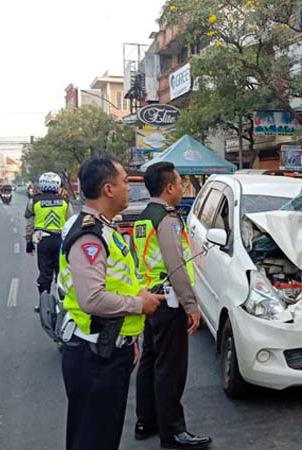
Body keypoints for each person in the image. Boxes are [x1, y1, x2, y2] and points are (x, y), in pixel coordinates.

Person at [58, 156, 164, 450]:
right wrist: (138, 304)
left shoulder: (104, 229)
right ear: (108, 189)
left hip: (108, 346)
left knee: (99, 436)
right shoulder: (90, 236)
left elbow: (117, 281)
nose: (129, 189)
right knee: (94, 440)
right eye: (125, 183)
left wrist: (129, 339)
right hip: (95, 357)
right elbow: (92, 298)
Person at [134, 161, 212, 450]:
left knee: (151, 363)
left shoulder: (145, 216)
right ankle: (173, 432)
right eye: (180, 183)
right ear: (168, 188)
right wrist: (191, 306)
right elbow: (176, 265)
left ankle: (146, 421)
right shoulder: (166, 219)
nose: (182, 188)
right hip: (169, 300)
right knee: (171, 368)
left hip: (151, 297)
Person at [25, 172, 74, 297]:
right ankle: (61, 302)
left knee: (45, 273)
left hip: (43, 241)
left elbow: (29, 224)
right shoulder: (64, 202)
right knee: (61, 272)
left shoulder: (34, 202)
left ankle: (44, 301)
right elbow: (71, 222)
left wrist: (29, 242)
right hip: (61, 242)